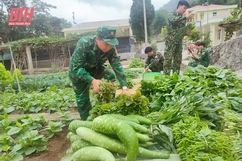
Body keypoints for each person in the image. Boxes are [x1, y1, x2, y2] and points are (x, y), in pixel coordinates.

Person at [69, 26, 129, 120]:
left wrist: (124, 87)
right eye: (106, 44)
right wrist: (93, 81)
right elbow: (76, 68)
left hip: (95, 68)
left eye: (111, 44)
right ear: (97, 39)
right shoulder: (85, 43)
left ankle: (107, 106)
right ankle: (87, 122)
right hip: (78, 72)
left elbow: (117, 66)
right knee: (83, 100)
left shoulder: (111, 48)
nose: (109, 47)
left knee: (110, 76)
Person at [163, 0, 194, 75]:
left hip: (179, 41)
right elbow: (173, 20)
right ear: (179, 6)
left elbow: (181, 31)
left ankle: (175, 76)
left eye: (186, 9)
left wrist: (187, 33)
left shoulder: (183, 18)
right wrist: (186, 17)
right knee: (168, 59)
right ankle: (166, 78)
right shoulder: (172, 14)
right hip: (171, 41)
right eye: (184, 8)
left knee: (178, 60)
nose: (185, 10)